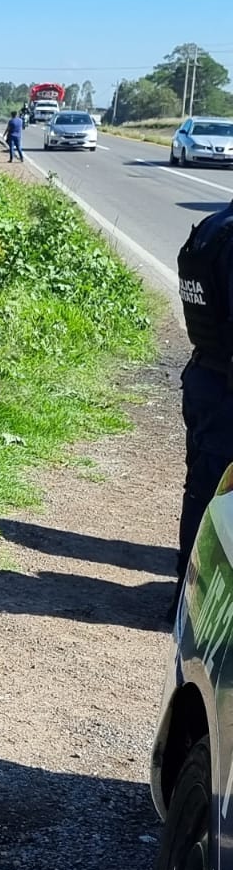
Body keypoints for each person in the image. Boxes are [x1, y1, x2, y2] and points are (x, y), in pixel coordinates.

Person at [176, 204, 233, 595]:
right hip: (226, 391)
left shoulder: (214, 227)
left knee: (202, 492)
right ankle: (194, 599)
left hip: (206, 379)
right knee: (216, 502)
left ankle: (186, 590)